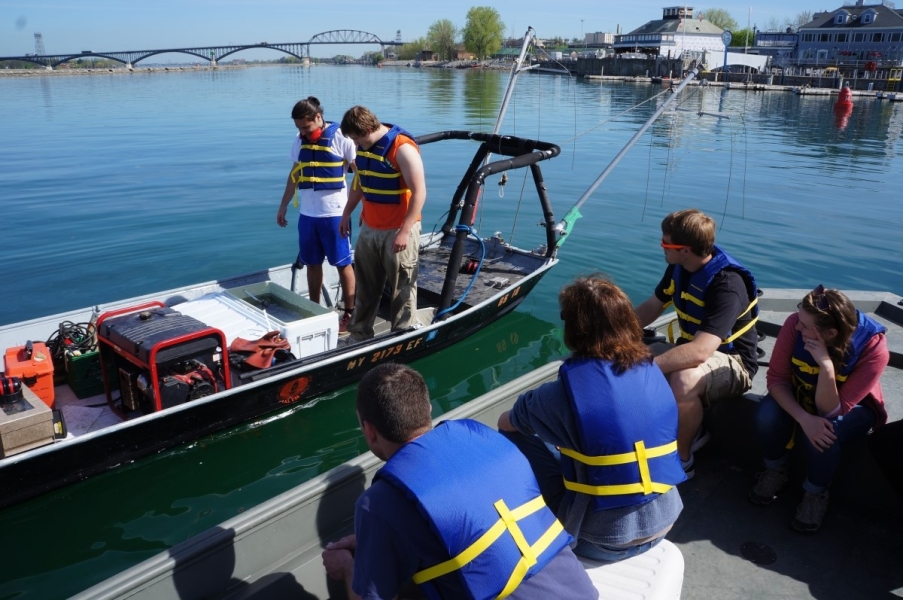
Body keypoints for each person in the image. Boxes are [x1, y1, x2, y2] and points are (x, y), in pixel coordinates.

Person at [321, 363, 599, 600]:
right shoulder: (483, 437)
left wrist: (347, 567)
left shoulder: (378, 503)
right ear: (427, 409)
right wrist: (374, 539)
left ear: (369, 431)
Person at [498, 275, 685, 562]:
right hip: (667, 520)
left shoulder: (559, 395)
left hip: (600, 542)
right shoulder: (652, 371)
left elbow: (506, 422)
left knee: (514, 435)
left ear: (573, 329)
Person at [749, 285, 889, 532]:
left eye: (805, 326)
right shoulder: (795, 323)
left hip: (850, 408)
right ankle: (776, 470)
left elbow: (832, 410)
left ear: (830, 333)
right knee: (766, 416)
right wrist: (803, 418)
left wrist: (826, 367)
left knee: (825, 434)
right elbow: (777, 380)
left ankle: (816, 493)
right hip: (801, 393)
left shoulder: (874, 348)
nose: (796, 326)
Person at [635, 208, 759, 478]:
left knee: (684, 378)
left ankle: (683, 457)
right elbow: (653, 306)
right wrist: (612, 336)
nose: (661, 247)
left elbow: (702, 351)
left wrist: (647, 368)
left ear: (685, 250)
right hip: (692, 347)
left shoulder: (727, 284)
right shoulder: (679, 267)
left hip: (734, 361)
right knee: (628, 355)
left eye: (665, 243)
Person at [338, 106, 426, 341]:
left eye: (357, 138)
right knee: (365, 284)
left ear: (368, 129)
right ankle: (359, 333)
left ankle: (404, 332)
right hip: (370, 226)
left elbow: (419, 192)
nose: (355, 144)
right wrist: (347, 213)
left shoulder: (402, 148)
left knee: (402, 285)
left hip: (398, 228)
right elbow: (360, 182)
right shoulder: (362, 147)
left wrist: (405, 231)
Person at [276, 97, 356, 332]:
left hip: (335, 214)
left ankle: (349, 312)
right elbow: (295, 176)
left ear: (318, 118)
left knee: (343, 263)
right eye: (299, 128)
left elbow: (360, 176)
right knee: (312, 263)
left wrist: (354, 210)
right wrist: (282, 206)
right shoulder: (299, 141)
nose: (302, 132)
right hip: (308, 216)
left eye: (306, 127)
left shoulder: (341, 137)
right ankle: (315, 309)